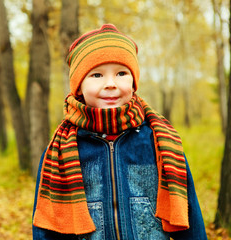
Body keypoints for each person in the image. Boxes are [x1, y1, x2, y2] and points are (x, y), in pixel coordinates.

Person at [32, 24, 207, 240]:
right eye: (96, 75)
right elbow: (46, 229)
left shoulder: (159, 142)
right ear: (78, 86)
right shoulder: (60, 151)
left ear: (134, 82)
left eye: (121, 73)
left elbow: (190, 218)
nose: (111, 84)